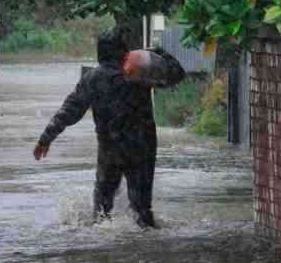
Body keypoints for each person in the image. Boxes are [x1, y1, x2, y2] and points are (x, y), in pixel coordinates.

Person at [33, 26, 186, 228]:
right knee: (142, 211)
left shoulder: (92, 79)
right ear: (124, 51)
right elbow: (177, 74)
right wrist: (157, 52)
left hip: (110, 149)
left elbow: (69, 111)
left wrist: (46, 138)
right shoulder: (139, 73)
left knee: (101, 211)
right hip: (141, 148)